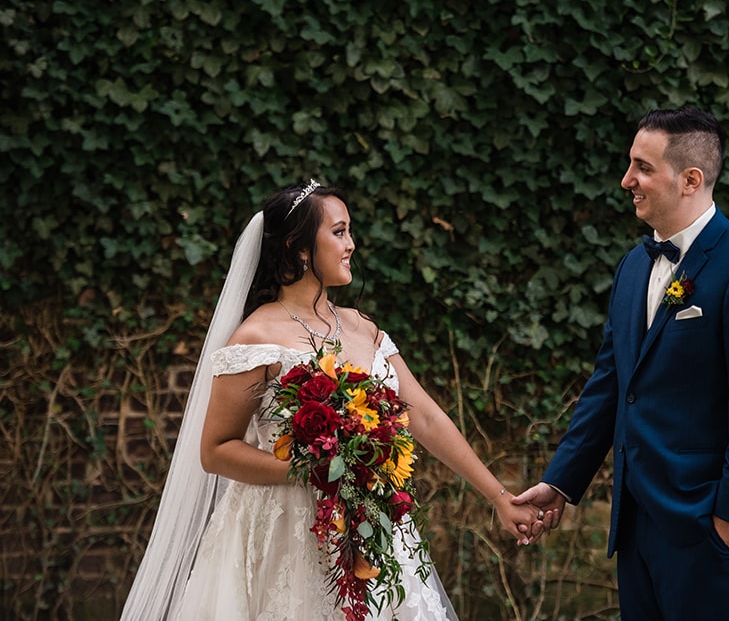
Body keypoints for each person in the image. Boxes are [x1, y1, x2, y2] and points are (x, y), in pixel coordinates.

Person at [121, 181, 539, 621]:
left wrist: (499, 496)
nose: (351, 245)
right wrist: (313, 472)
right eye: (339, 232)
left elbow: (428, 417)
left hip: (371, 530)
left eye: (349, 232)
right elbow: (215, 451)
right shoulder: (255, 338)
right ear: (299, 248)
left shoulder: (363, 328)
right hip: (285, 532)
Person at [512, 107, 729, 620]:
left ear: (690, 179)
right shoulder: (633, 265)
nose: (627, 181)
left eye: (643, 167)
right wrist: (560, 482)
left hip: (707, 526)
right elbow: (611, 385)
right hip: (637, 523)